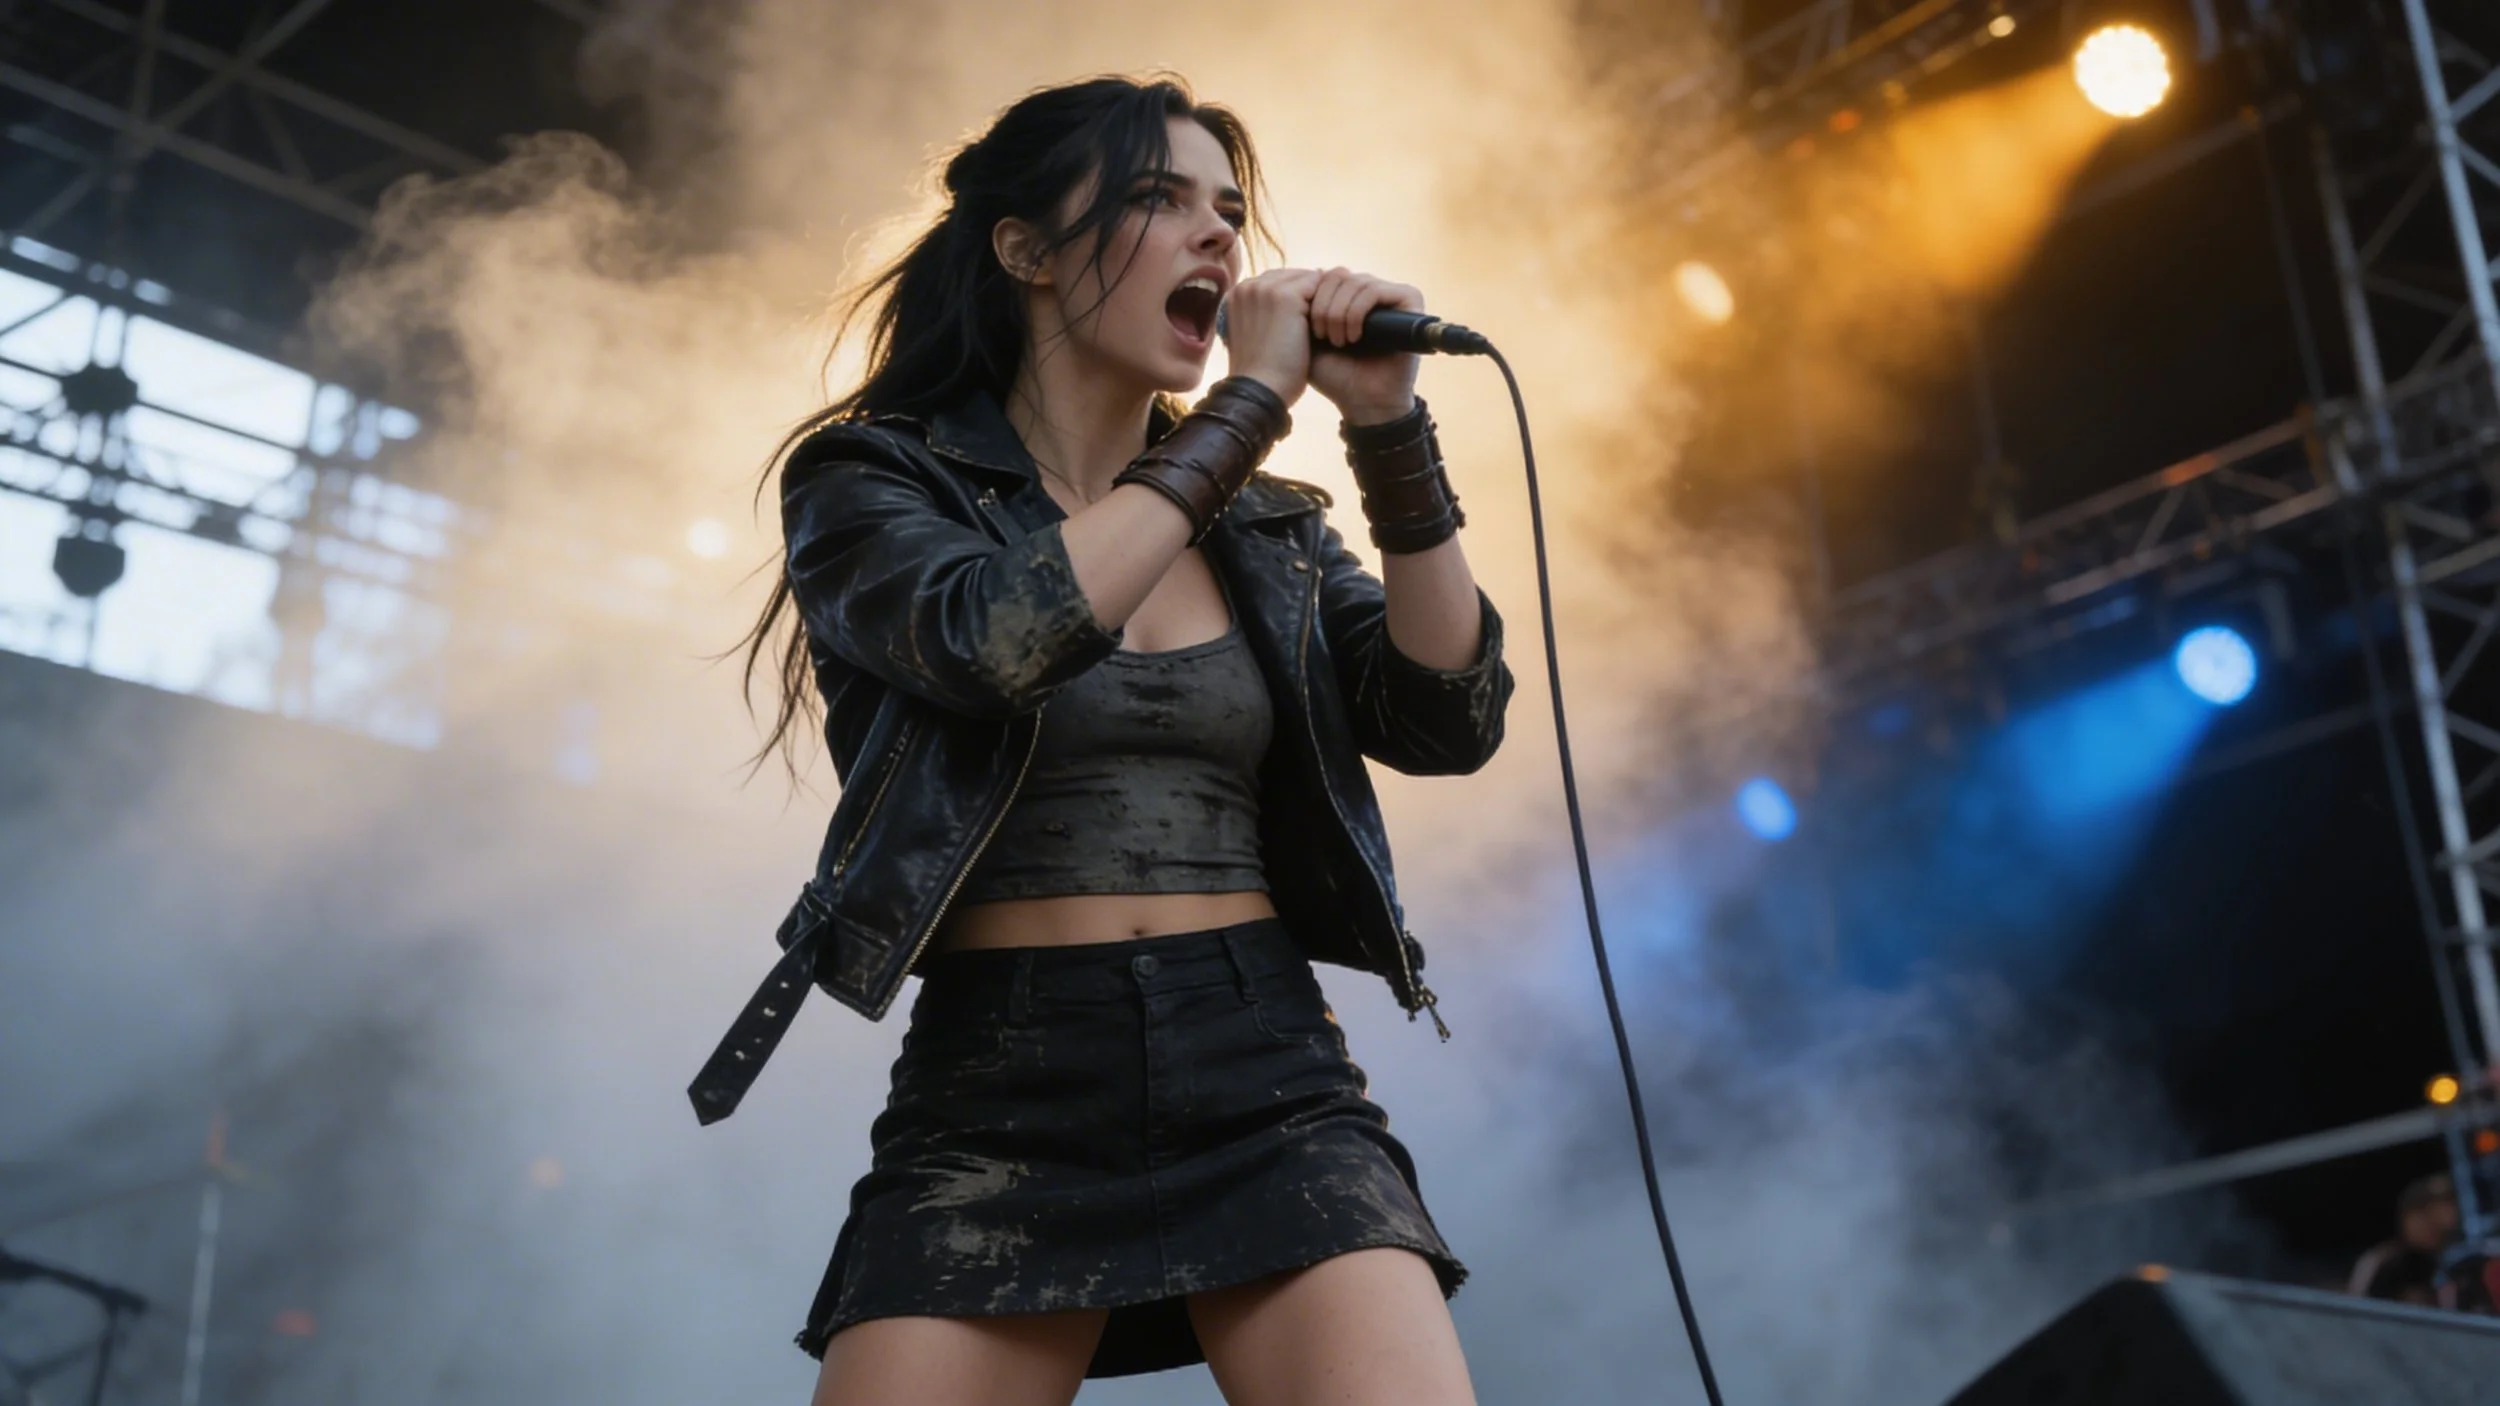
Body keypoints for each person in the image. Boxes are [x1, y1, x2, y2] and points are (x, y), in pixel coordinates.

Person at [692, 74, 1514, 1405]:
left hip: (1263, 1063)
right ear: (1023, 250)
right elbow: (999, 639)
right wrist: (1250, 405)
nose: (1216, 238)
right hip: (1002, 1079)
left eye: (1227, 211)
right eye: (1155, 199)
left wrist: (1388, 426)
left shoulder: (1267, 526)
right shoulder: (872, 480)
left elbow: (1449, 717)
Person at [2347, 1172, 2460, 1306]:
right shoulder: (2382, 1262)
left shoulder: (2450, 1263)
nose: (2435, 1226)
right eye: (2425, 1215)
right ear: (2409, 1218)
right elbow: (2358, 1309)